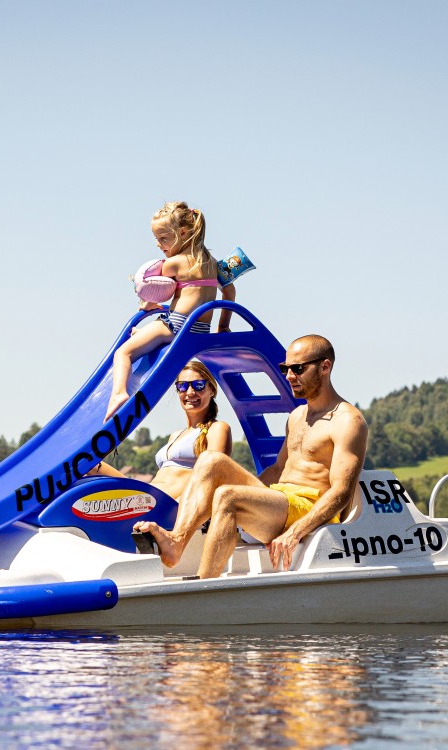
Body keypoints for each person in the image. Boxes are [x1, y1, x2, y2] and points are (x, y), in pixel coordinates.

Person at [133, 335, 368, 577]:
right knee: (210, 461)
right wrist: (253, 497)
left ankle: (204, 588)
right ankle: (177, 541)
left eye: (297, 369)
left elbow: (341, 492)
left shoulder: (347, 420)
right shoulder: (298, 416)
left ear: (325, 367)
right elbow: (277, 470)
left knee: (227, 496)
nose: (288, 376)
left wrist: (294, 532)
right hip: (280, 500)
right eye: (285, 368)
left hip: (306, 508)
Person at [105, 202, 236, 421]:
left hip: (175, 325)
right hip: (200, 331)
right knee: (153, 332)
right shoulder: (213, 264)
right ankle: (146, 335)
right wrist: (223, 326)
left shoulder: (174, 263)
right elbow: (230, 292)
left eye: (164, 238)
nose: (159, 244)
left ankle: (118, 394)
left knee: (123, 353)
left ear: (183, 233)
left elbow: (153, 289)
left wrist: (146, 305)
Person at [92, 360, 232, 499]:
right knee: (87, 465)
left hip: (166, 506)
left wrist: (179, 514)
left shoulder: (217, 429)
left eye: (198, 385)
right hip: (144, 496)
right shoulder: (176, 436)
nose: (190, 392)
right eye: (182, 386)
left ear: (212, 390)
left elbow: (213, 481)